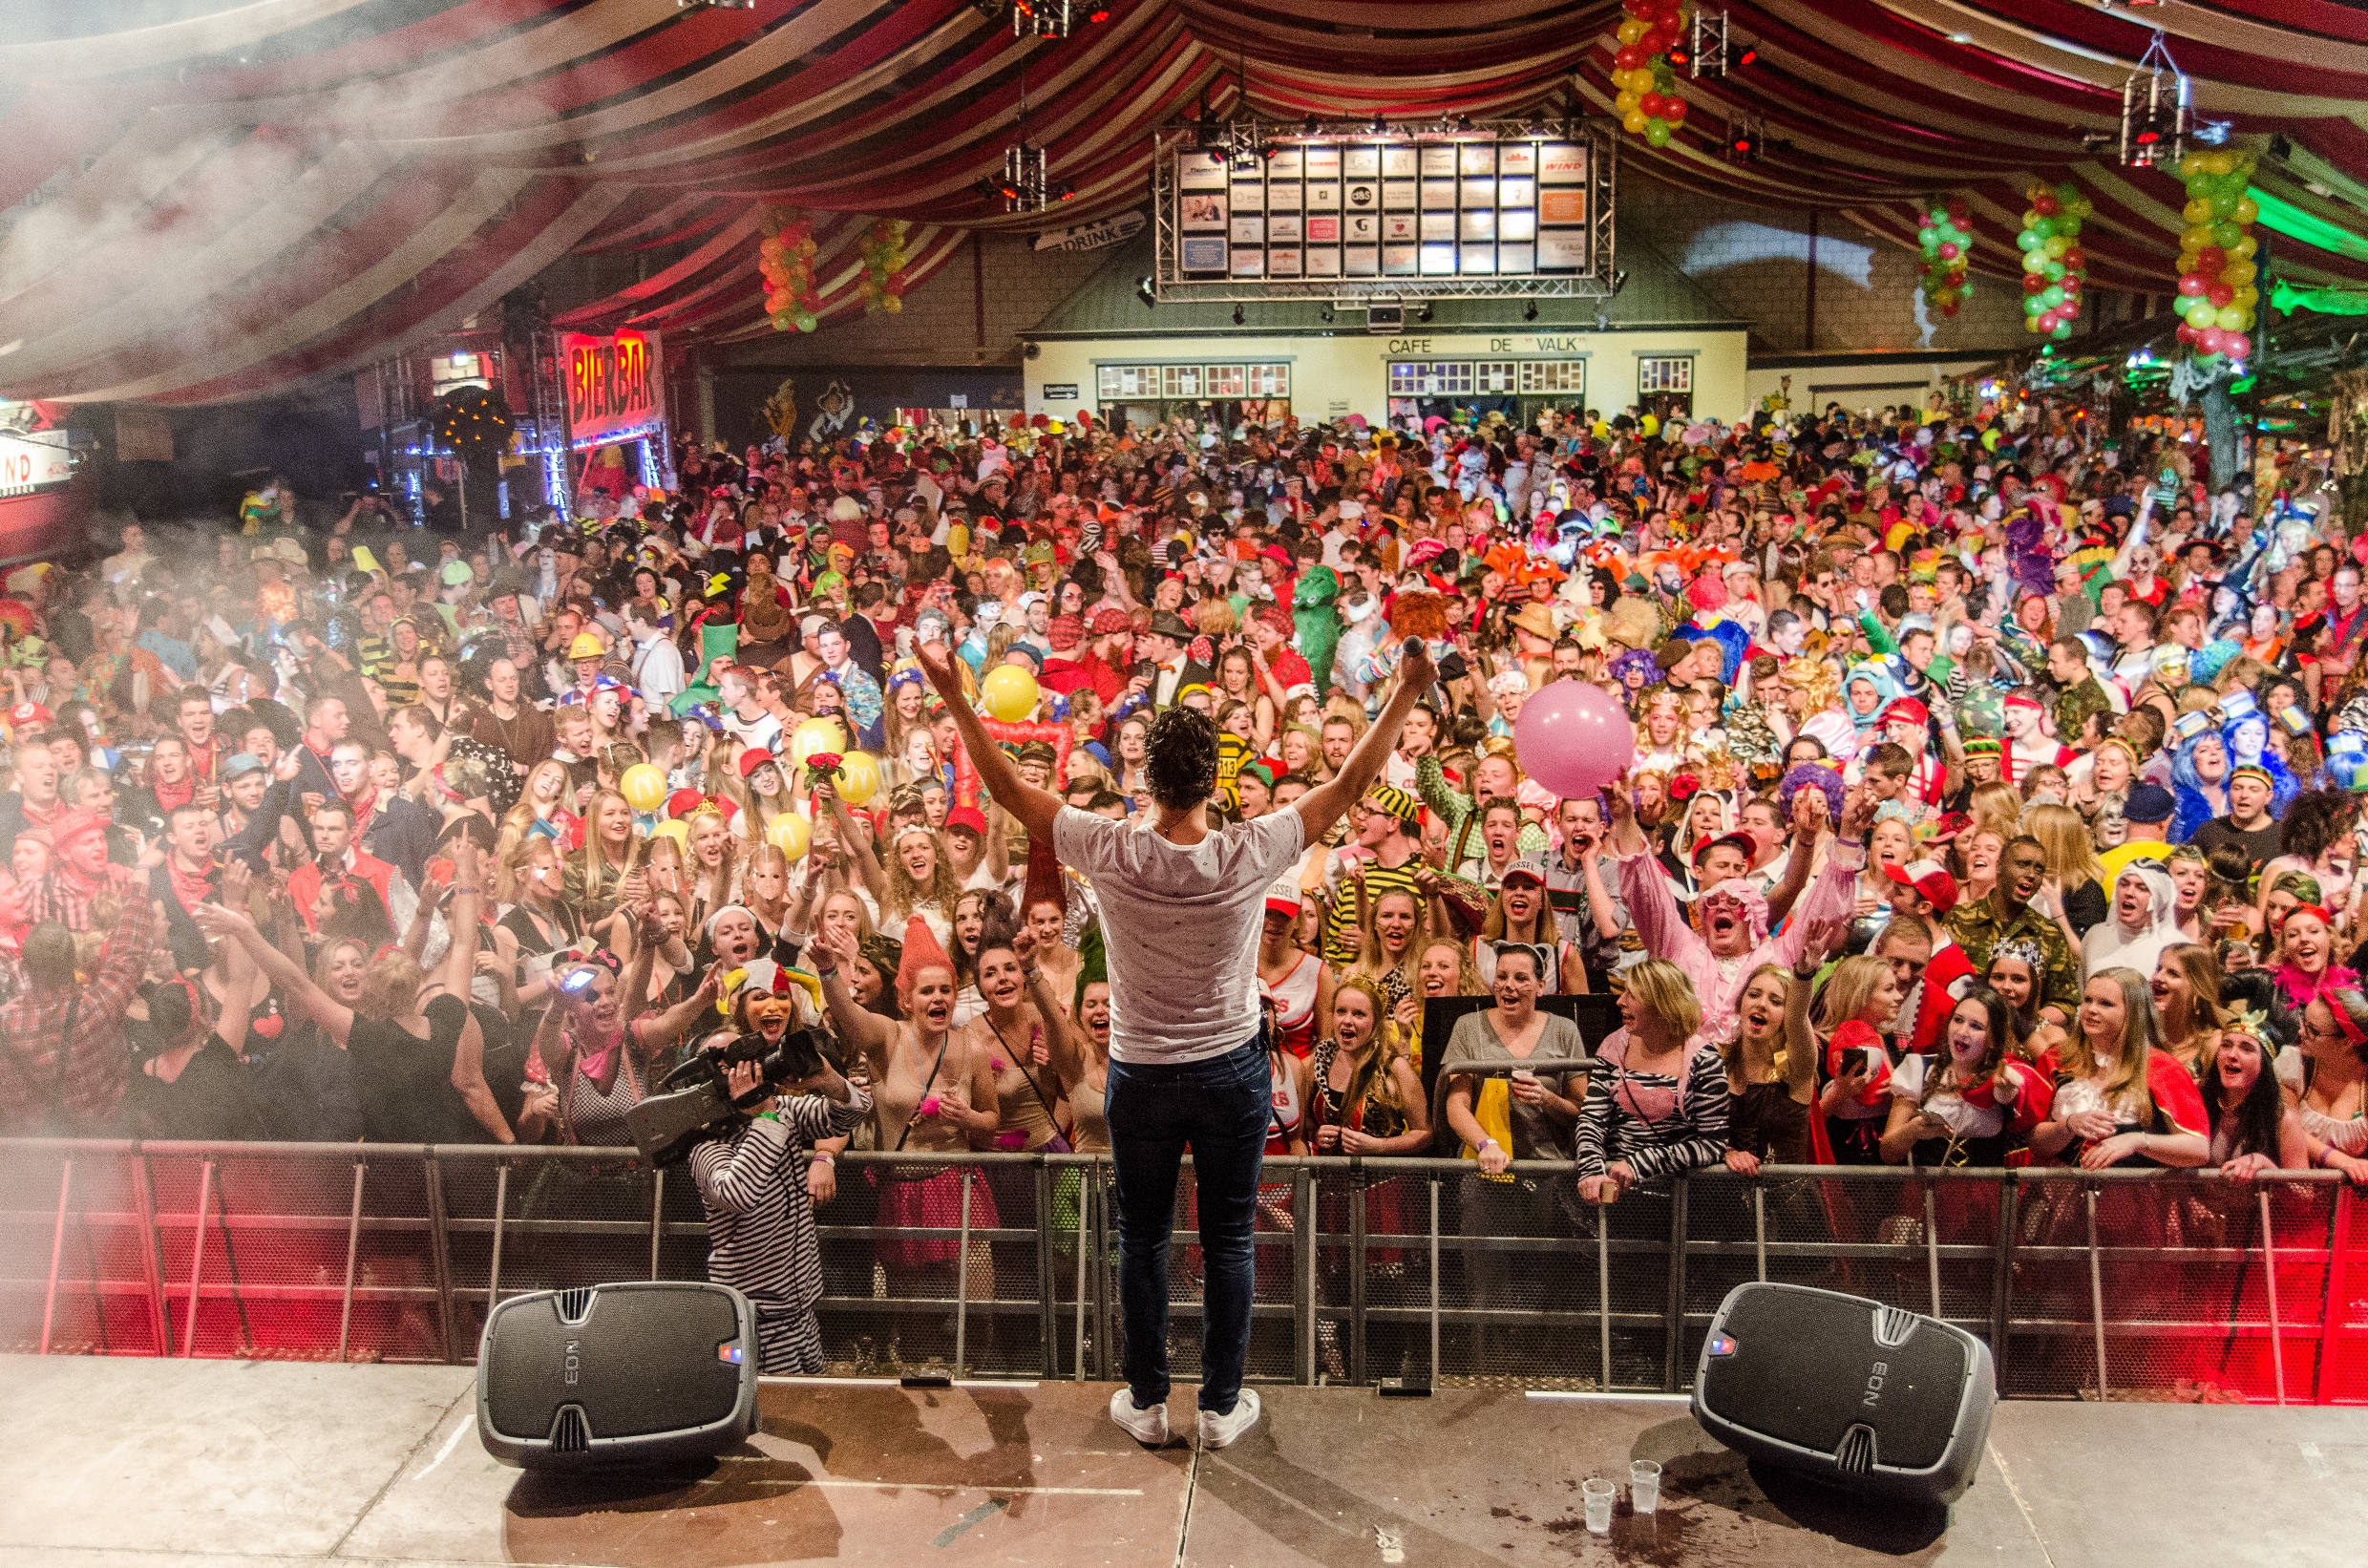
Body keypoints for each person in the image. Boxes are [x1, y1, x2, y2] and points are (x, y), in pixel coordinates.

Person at [914, 625, 1435, 1451]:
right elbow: (1348, 784)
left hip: (1144, 1074)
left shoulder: (1111, 846)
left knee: (1144, 1239)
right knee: (1229, 1239)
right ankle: (1222, 1408)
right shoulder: (1250, 848)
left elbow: (1009, 790)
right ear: (1213, 780)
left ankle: (1149, 1403)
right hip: (1231, 1073)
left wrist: (951, 692)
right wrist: (1405, 690)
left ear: (1148, 781)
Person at [685, 960, 875, 1374]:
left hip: (802, 1309)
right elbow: (738, 1193)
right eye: (729, 1064)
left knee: (813, 1401)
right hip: (751, 1320)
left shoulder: (781, 1109)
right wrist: (766, 1118)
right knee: (767, 1409)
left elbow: (854, 1111)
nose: (746, 1070)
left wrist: (829, 1081)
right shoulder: (704, 1142)